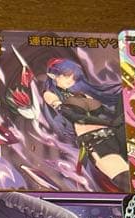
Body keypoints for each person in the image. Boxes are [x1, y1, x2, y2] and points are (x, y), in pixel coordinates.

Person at [37, 57, 129, 190]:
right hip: (96, 142)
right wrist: (109, 122)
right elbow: (73, 116)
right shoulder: (50, 95)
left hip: (114, 136)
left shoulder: (81, 94)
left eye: (74, 77)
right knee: (126, 179)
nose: (71, 80)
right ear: (53, 76)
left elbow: (107, 112)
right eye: (66, 75)